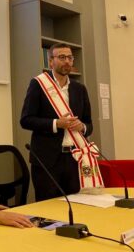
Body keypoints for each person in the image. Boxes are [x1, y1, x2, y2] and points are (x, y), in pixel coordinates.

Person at [20, 43, 95, 201]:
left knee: (76, 203)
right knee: (48, 208)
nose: (67, 61)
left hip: (75, 159)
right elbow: (26, 120)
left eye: (70, 57)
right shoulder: (38, 85)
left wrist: (82, 126)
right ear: (51, 61)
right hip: (47, 160)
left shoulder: (80, 89)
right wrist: (56, 124)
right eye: (61, 57)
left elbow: (89, 124)